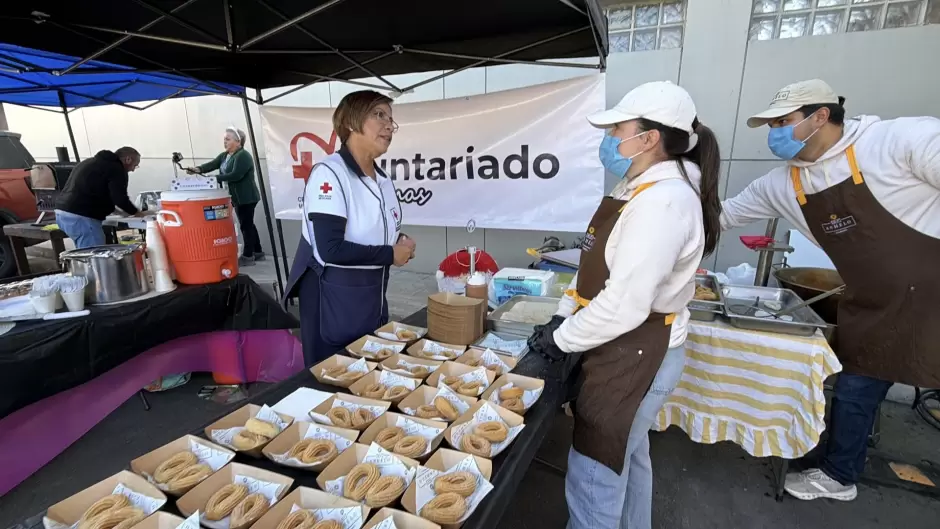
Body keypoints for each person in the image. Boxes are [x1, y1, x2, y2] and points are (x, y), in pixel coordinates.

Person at [721, 79, 940, 502]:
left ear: (821, 116)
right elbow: (723, 215)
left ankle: (840, 469)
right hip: (874, 301)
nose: (774, 133)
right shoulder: (783, 184)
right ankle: (840, 472)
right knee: (856, 384)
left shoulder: (897, 140)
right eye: (771, 125)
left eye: (783, 121)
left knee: (860, 386)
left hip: (932, 293)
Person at [528, 81, 723, 529]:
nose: (611, 139)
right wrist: (564, 311)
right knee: (627, 459)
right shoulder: (636, 185)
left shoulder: (663, 202)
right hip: (624, 349)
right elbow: (594, 264)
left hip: (637, 354)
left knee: (594, 475)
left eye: (618, 128)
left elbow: (624, 305)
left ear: (650, 137)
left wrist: (560, 338)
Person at [283, 90, 415, 366]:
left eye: (391, 119)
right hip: (333, 298)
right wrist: (390, 254)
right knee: (333, 379)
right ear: (352, 123)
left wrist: (398, 240)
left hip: (371, 297)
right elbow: (330, 248)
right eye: (379, 115)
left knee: (367, 377)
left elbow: (375, 229)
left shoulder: (382, 180)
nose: (389, 125)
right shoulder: (329, 174)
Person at [186, 127, 263, 267]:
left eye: (228, 139)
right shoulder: (225, 155)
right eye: (224, 139)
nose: (225, 142)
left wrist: (214, 178)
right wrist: (198, 169)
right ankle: (258, 252)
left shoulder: (243, 156)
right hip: (237, 197)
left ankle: (248, 256)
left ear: (238, 142)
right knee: (248, 224)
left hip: (246, 197)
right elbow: (213, 164)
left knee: (246, 225)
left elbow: (236, 175)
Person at [55, 147, 144, 249]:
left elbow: (96, 193)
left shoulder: (90, 162)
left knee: (83, 253)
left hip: (62, 213)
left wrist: (120, 212)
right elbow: (119, 198)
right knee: (94, 256)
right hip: (82, 216)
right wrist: (137, 213)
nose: (132, 170)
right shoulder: (116, 168)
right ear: (128, 159)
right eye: (135, 165)